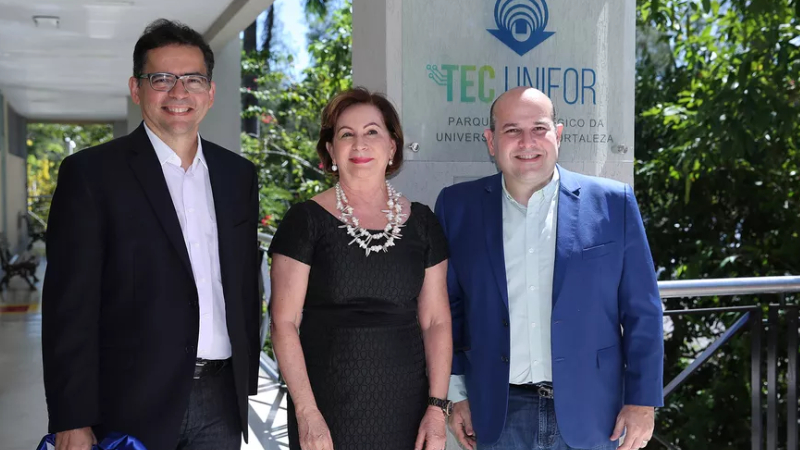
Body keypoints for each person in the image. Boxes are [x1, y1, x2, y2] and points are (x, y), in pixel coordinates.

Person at [41, 19, 261, 450]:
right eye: (161, 79)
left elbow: (242, 285)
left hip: (221, 399)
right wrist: (72, 417)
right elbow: (70, 306)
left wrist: (244, 383)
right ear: (136, 89)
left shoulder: (238, 176)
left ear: (211, 93)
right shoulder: (91, 174)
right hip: (127, 403)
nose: (179, 92)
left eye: (193, 79)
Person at [434, 86, 664, 450]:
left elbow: (643, 312)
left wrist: (643, 400)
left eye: (539, 129)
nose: (527, 142)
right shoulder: (457, 207)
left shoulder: (613, 203)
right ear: (491, 141)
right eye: (512, 130)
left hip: (594, 414)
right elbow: (449, 308)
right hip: (497, 414)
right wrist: (456, 394)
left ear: (557, 135)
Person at [268, 87, 453, 450]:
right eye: (346, 134)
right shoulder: (306, 221)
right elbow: (283, 322)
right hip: (325, 407)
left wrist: (437, 408)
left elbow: (436, 321)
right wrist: (306, 411)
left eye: (372, 132)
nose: (359, 144)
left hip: (408, 406)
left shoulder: (423, 223)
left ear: (392, 146)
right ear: (331, 149)